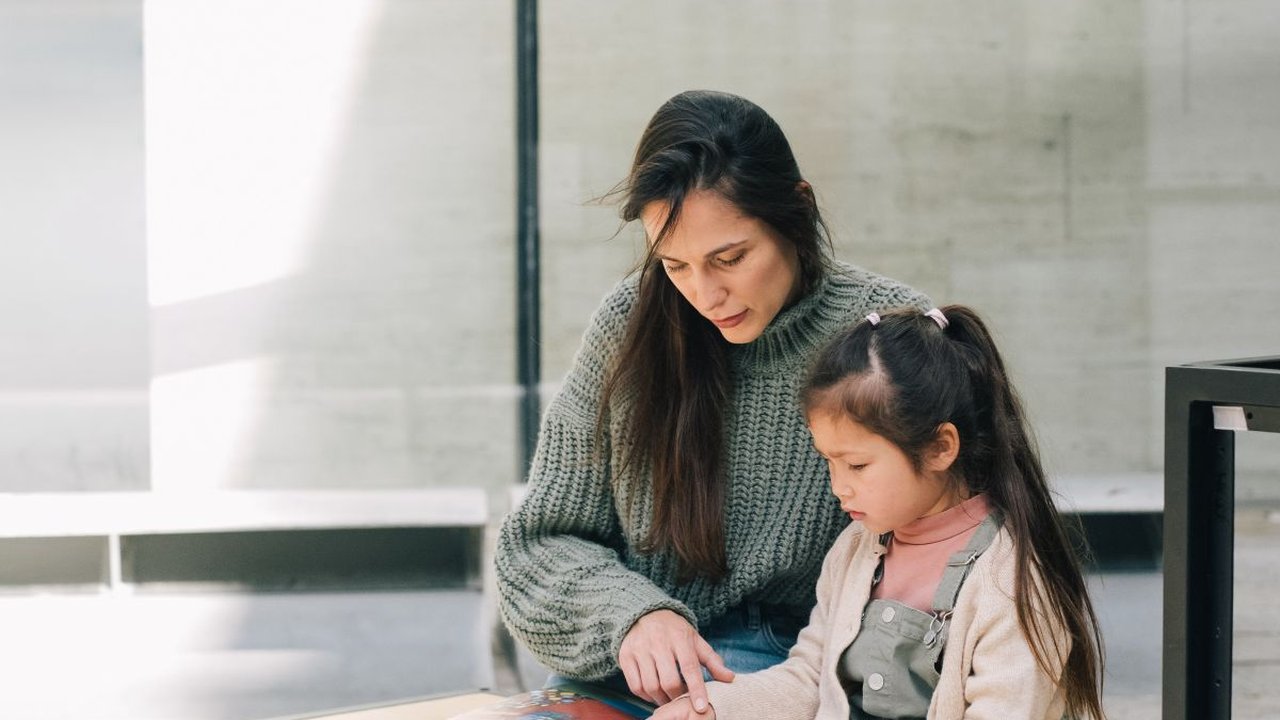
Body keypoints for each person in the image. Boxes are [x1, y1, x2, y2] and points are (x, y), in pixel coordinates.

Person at [494, 89, 929, 713]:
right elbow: (535, 544)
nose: (705, 293)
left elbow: (960, 546)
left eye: (731, 258)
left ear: (796, 211)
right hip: (633, 664)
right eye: (674, 265)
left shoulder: (883, 337)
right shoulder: (629, 325)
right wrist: (633, 615)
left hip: (799, 668)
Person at [651, 305, 1107, 719]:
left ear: (940, 447)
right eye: (828, 462)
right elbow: (811, 678)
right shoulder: (858, 549)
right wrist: (714, 710)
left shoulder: (1011, 585)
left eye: (857, 465)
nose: (838, 486)